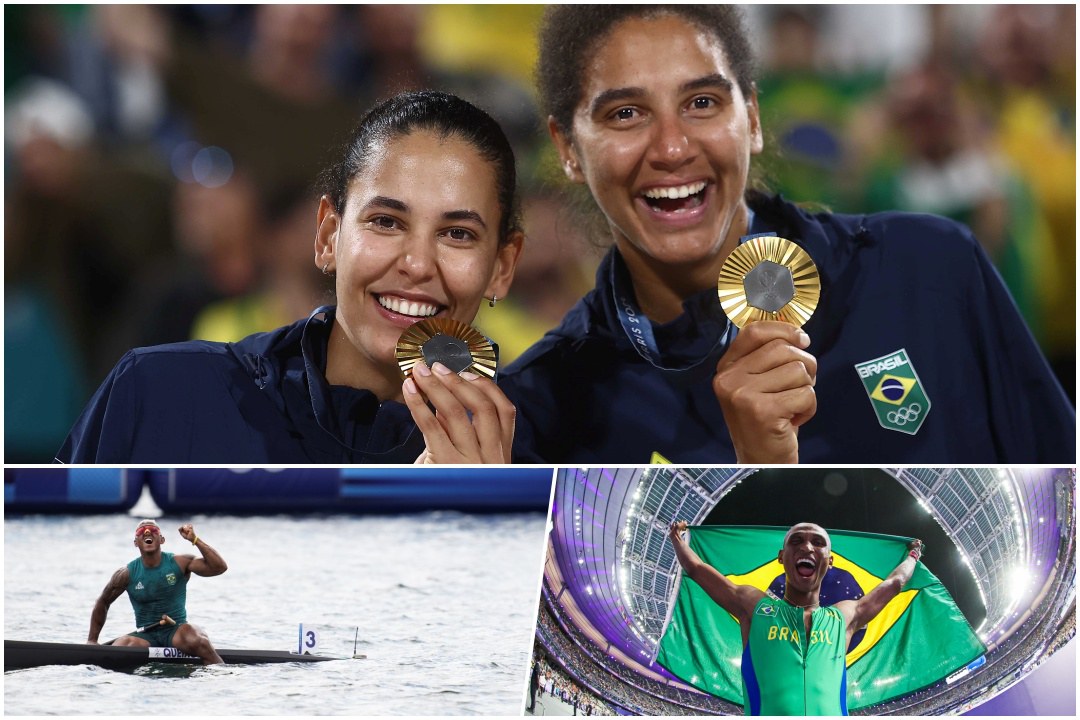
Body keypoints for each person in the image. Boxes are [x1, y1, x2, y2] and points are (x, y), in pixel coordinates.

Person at [499, 5, 1075, 464]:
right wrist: (758, 472)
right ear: (567, 149)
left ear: (751, 118)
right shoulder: (544, 410)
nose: (672, 147)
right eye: (625, 113)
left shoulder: (929, 269)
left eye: (702, 102)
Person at [57, 90, 524, 463]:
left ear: (502, 267)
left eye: (458, 234)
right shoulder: (163, 396)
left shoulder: (541, 453)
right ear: (328, 236)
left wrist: (478, 518)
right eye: (386, 221)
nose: (418, 264)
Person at [669, 520, 922, 715]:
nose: (807, 547)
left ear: (830, 561)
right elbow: (697, 569)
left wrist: (913, 556)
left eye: (818, 543)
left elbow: (895, 582)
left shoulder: (844, 617)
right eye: (797, 541)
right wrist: (677, 540)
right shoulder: (754, 607)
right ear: (781, 557)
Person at [88, 520, 227, 665]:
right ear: (136, 543)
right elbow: (103, 602)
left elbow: (219, 567)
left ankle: (220, 670)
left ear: (162, 540)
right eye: (141, 531)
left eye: (152, 530)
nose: (147, 532)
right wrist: (92, 640)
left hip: (176, 631)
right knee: (120, 648)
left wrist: (195, 540)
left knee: (197, 641)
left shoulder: (180, 562)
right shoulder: (126, 574)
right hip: (145, 636)